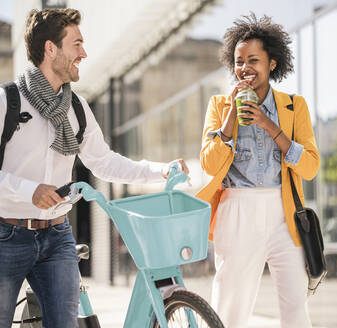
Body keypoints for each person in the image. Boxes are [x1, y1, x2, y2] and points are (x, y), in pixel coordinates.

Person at [0, 8, 189, 328]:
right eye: (76, 44)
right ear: (50, 48)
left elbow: (104, 162)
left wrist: (160, 170)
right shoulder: (8, 101)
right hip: (7, 235)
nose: (84, 53)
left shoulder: (77, 108)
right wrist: (29, 190)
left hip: (57, 236)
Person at [196, 13, 319, 328]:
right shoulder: (221, 105)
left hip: (284, 214)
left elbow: (310, 166)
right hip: (237, 210)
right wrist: (229, 122)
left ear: (272, 63)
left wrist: (270, 126)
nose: (244, 68)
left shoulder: (294, 106)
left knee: (295, 308)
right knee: (231, 309)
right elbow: (209, 164)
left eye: (253, 60)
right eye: (238, 61)